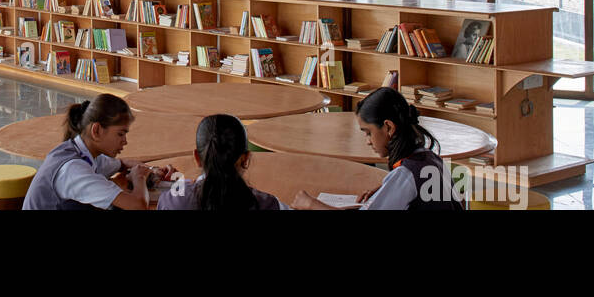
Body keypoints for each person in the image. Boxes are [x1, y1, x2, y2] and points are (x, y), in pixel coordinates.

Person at [292, 87, 464, 210]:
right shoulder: (429, 158)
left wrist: (312, 204)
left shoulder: (406, 175)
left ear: (388, 127)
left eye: (368, 132)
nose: (368, 141)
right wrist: (386, 190)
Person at [22, 94, 176, 210]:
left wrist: (152, 170)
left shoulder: (83, 151)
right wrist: (140, 177)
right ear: (96, 130)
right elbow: (138, 205)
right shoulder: (74, 169)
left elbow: (122, 163)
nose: (125, 141)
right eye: (120, 134)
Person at [157, 114, 287, 210]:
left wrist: (179, 185)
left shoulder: (171, 201)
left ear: (197, 158)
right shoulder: (268, 204)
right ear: (245, 158)